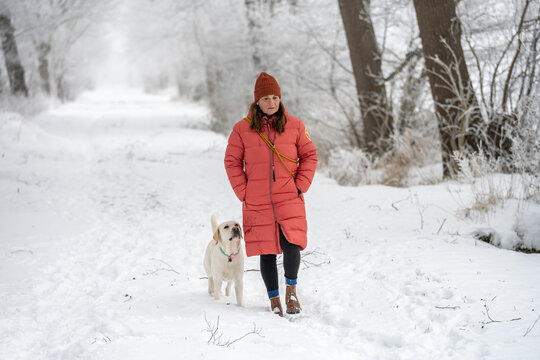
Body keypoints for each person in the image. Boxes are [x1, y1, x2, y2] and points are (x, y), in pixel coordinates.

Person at [224, 72, 317, 316]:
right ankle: (274, 300)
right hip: (257, 200)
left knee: (292, 244)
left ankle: (292, 293)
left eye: (275, 97)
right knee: (266, 250)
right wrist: (244, 192)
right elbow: (231, 162)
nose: (271, 103)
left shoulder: (295, 125)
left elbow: (309, 156)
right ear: (257, 101)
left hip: (289, 197)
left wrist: (300, 186)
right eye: (265, 98)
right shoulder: (241, 129)